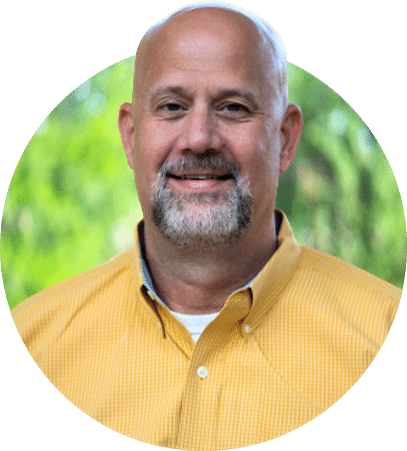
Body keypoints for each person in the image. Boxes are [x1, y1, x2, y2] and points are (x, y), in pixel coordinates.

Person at [11, 2, 401, 450]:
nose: (199, 138)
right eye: (172, 106)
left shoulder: (383, 336)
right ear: (132, 137)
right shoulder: (32, 343)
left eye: (233, 108)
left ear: (285, 139)